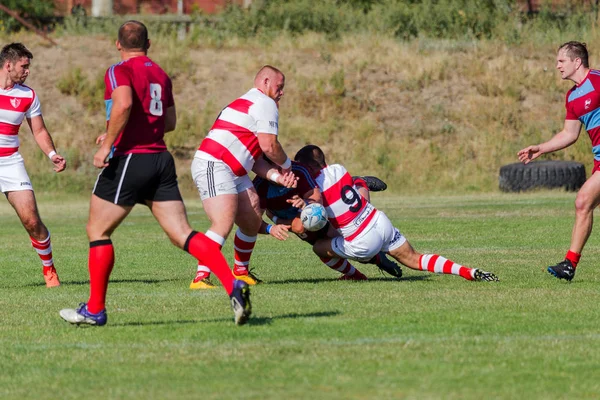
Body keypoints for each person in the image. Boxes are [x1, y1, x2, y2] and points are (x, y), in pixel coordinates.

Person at [59, 20, 251, 326]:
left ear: (118, 44)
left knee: (98, 232)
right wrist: (123, 132)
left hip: (131, 160)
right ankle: (233, 284)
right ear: (148, 44)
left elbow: (122, 105)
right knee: (183, 234)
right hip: (160, 159)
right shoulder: (160, 74)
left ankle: (95, 310)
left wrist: (108, 143)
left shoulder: (118, 70)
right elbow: (169, 121)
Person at [294, 145, 499, 282]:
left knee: (320, 247)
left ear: (308, 167)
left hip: (363, 241)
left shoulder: (315, 185)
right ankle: (467, 272)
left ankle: (354, 276)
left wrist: (303, 203)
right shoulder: (340, 169)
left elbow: (316, 208)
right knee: (416, 259)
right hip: (379, 221)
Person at [190, 158, 401, 288]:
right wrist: (274, 225)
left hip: (316, 209)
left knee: (345, 235)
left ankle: (358, 183)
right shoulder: (260, 187)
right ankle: (360, 273)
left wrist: (307, 204)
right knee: (324, 246)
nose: (280, 173)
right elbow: (252, 222)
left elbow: (316, 195)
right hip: (293, 219)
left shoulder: (297, 171)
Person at [190, 65, 295, 289]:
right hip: (215, 163)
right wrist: (287, 166)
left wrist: (277, 176)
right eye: (280, 86)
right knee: (223, 221)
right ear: (265, 82)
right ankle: (200, 277)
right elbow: (270, 146)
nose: (282, 92)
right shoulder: (264, 102)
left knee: (252, 217)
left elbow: (254, 159)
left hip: (232, 169)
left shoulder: (252, 103)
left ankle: (241, 271)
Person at [518, 41, 600, 281]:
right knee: (583, 205)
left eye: (561, 61)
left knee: (583, 202)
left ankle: (569, 264)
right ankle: (569, 265)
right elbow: (569, 134)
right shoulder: (572, 97)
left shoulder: (597, 80)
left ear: (577, 62)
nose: (557, 66)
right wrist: (541, 148)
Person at [0, 43, 66, 288]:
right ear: (9, 65)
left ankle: (48, 268)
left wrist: (52, 154)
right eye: (23, 66)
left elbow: (38, 130)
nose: (27, 71)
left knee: (31, 221)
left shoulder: (27, 95)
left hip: (9, 162)